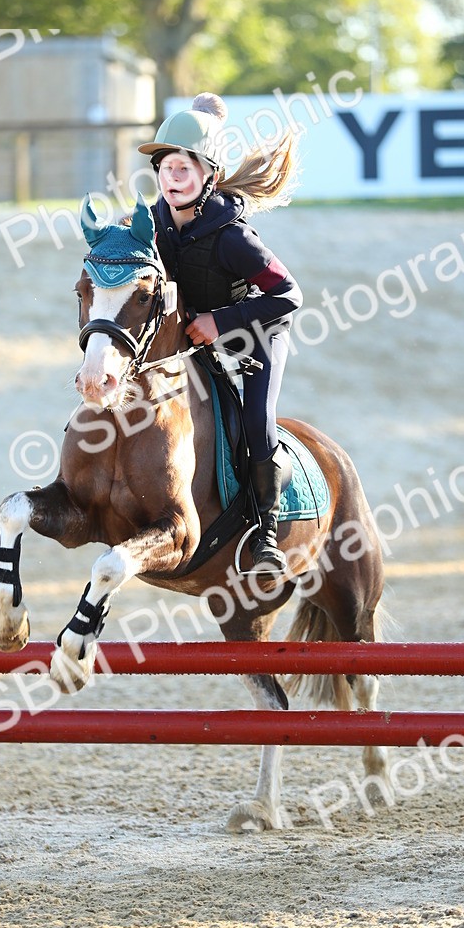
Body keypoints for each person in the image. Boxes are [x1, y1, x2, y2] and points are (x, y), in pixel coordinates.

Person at [138, 92, 302, 573]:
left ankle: (266, 531)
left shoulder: (234, 237)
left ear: (209, 175)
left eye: (184, 168)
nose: (172, 177)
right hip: (194, 336)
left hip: (256, 333)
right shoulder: (153, 224)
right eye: (166, 168)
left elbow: (288, 294)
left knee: (255, 421)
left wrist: (218, 321)